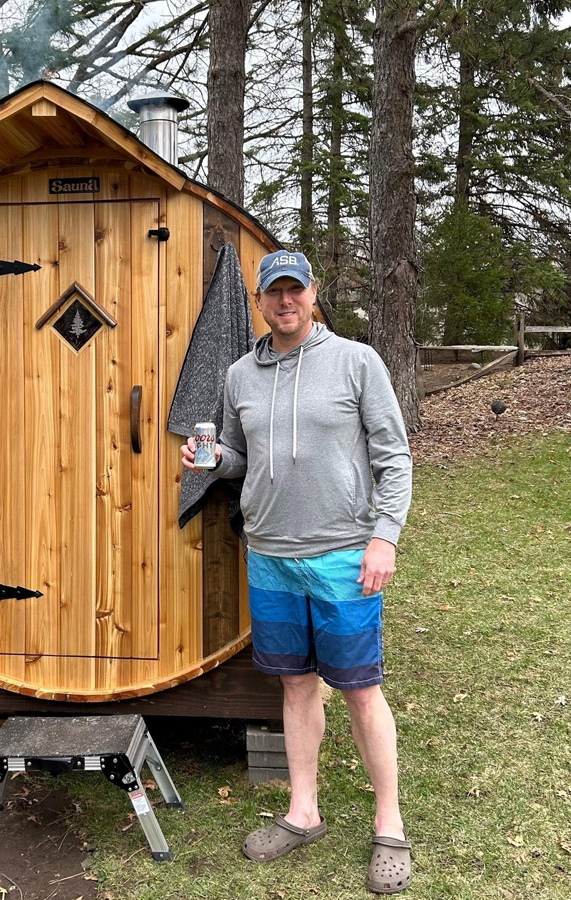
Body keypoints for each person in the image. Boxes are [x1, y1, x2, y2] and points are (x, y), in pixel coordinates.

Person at [181, 249, 413, 894]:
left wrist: (384, 538)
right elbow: (238, 456)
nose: (285, 302)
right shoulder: (239, 375)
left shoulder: (357, 361)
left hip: (342, 555)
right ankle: (303, 812)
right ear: (259, 301)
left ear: (312, 294)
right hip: (269, 555)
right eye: (273, 292)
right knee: (295, 685)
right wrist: (212, 459)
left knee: (360, 689)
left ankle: (390, 824)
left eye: (295, 290)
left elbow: (394, 457)